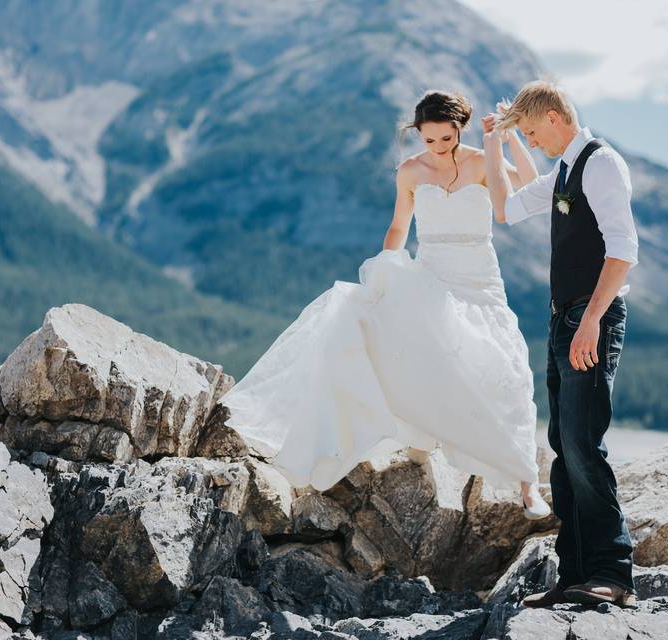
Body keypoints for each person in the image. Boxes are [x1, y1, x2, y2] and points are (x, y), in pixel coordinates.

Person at [219, 90, 550, 519]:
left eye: (445, 139)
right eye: (428, 140)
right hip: (432, 275)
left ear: (459, 129)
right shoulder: (411, 171)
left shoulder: (479, 160)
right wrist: (385, 269)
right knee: (419, 351)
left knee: (505, 368)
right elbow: (399, 226)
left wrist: (508, 139)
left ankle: (527, 484)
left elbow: (529, 183)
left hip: (481, 280)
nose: (437, 148)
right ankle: (422, 436)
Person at [482, 80, 639, 607]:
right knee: (563, 449)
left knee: (583, 444)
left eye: (532, 132)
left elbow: (623, 250)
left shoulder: (600, 163)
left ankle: (613, 575)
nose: (534, 141)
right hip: (560, 321)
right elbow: (504, 208)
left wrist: (592, 320)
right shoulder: (564, 171)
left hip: (589, 319)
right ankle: (574, 577)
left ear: (554, 117)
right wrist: (498, 142)